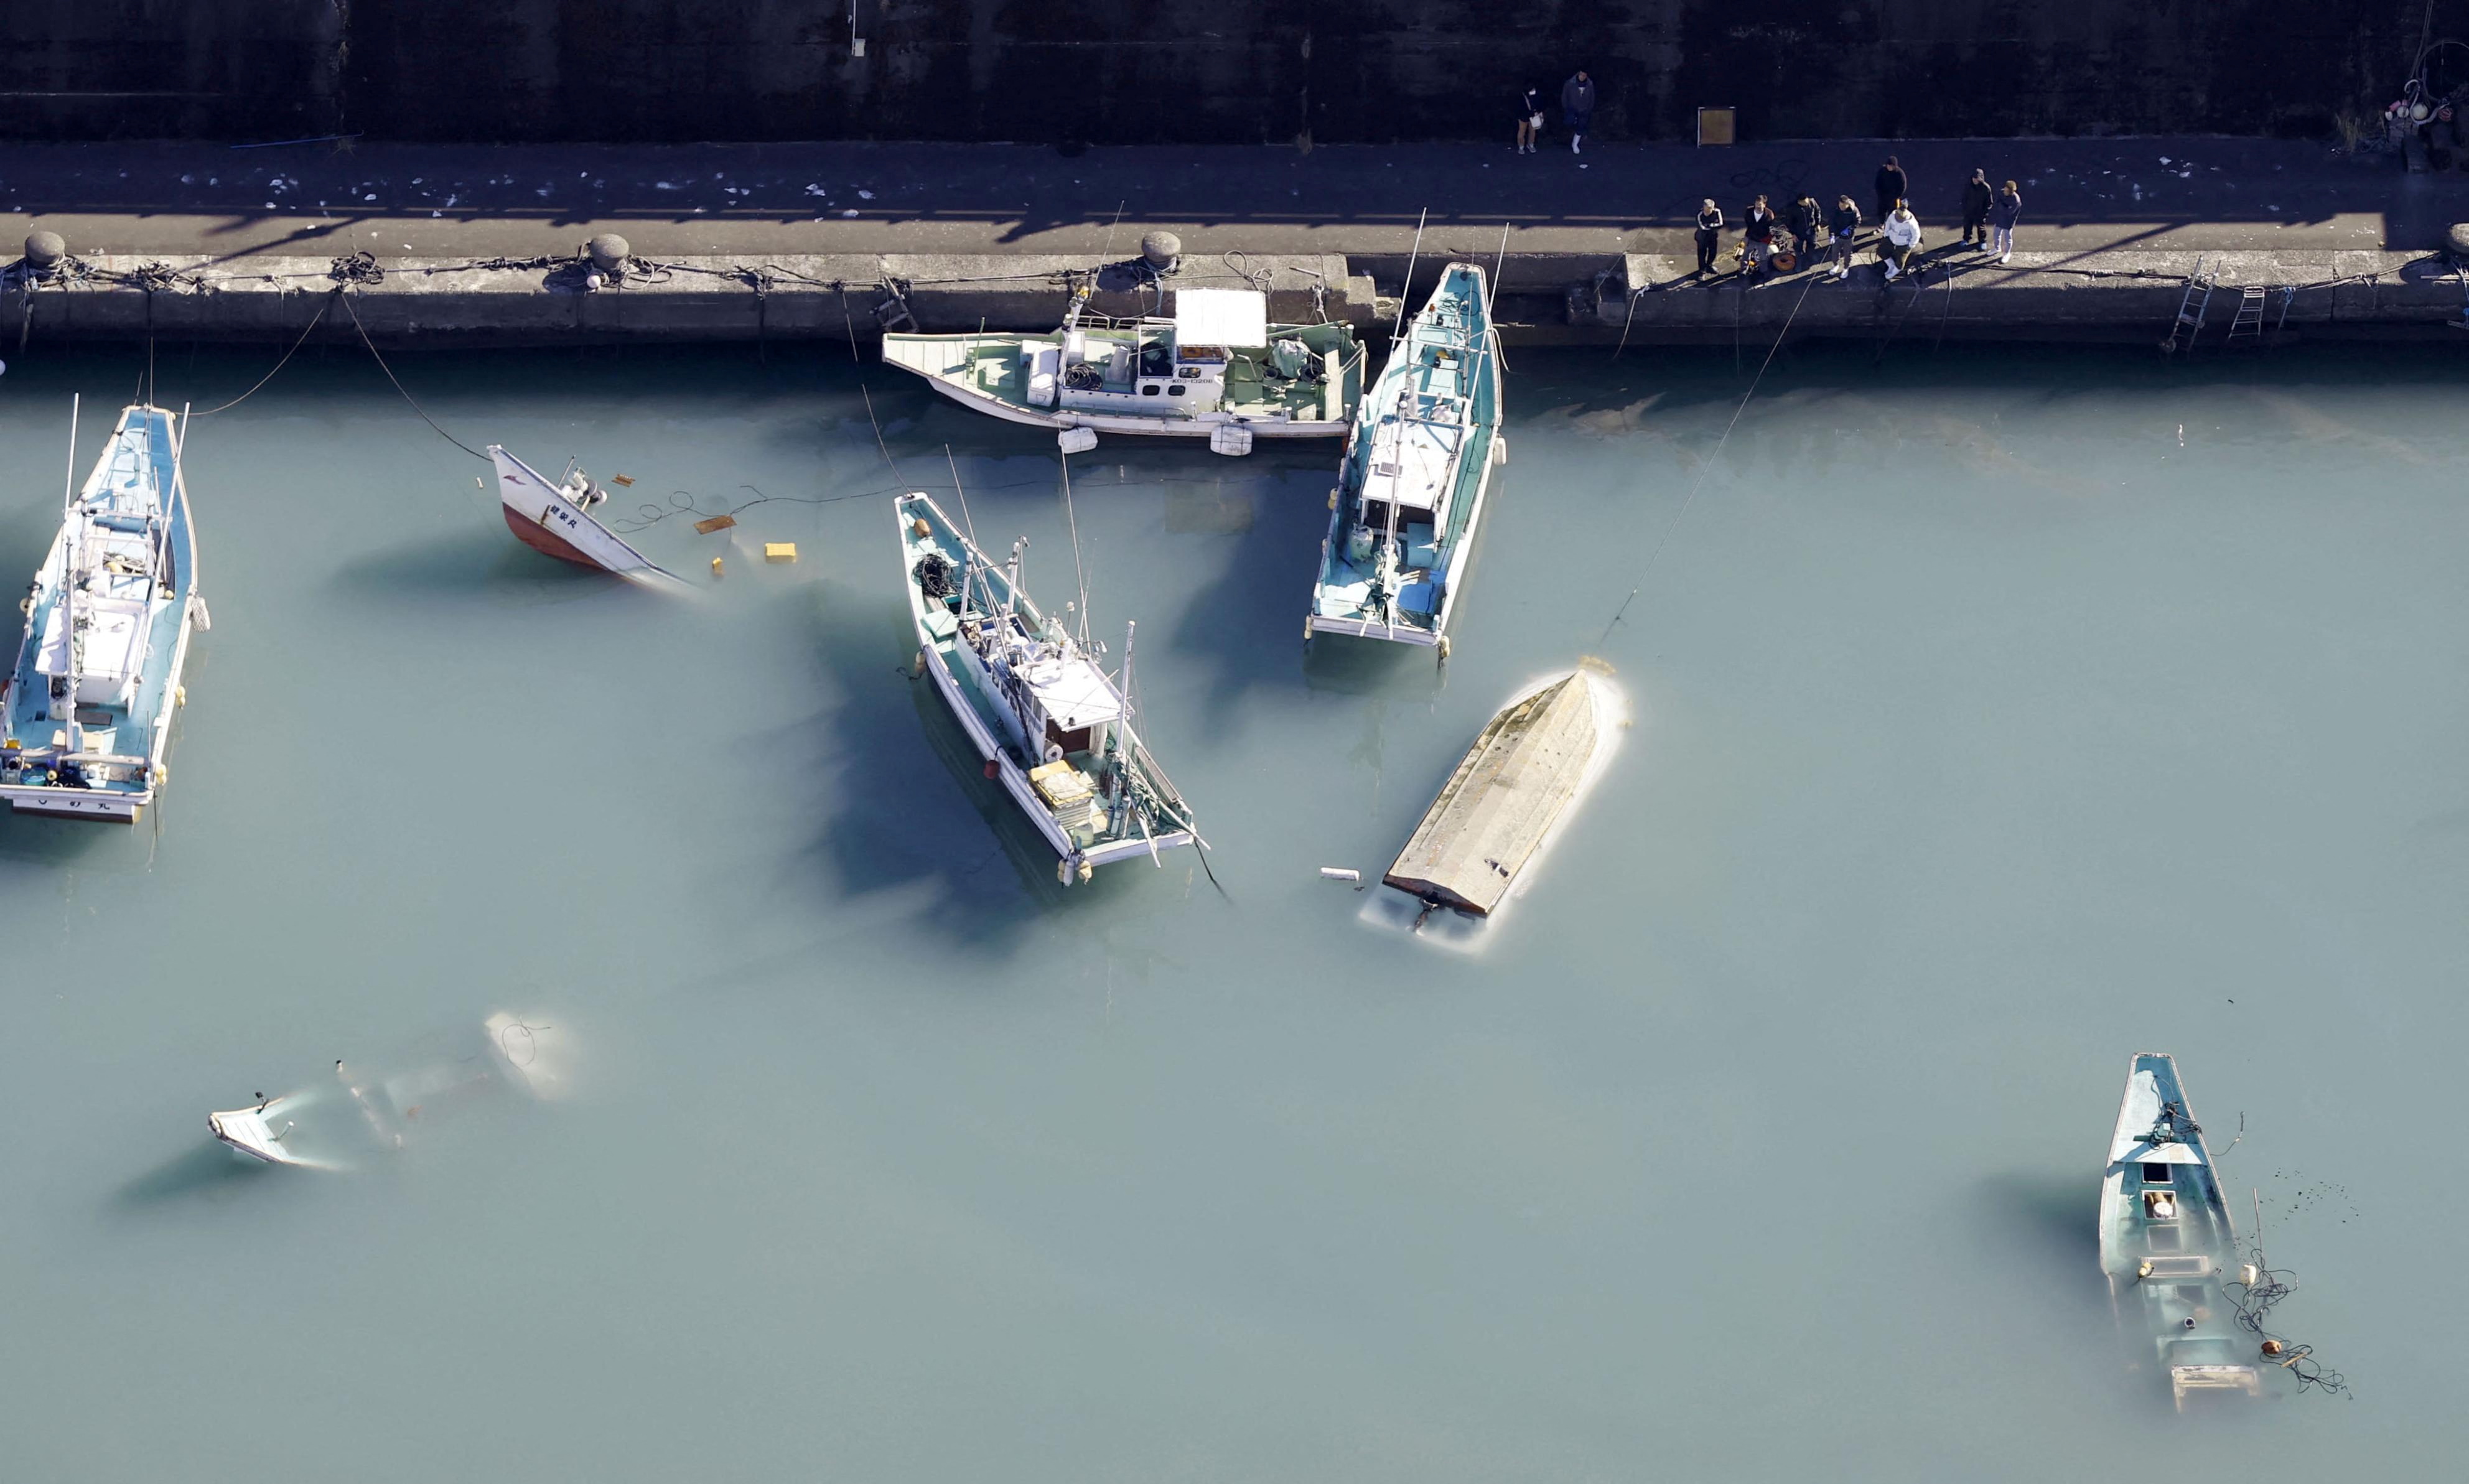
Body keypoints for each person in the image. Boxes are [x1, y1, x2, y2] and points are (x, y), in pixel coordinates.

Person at [1879, 200, 1923, 280]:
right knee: (1881, 252)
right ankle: (1891, 265)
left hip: (1904, 244)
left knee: (1901, 262)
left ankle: (1894, 272)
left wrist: (1910, 246)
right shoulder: (1892, 216)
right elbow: (1888, 225)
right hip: (1891, 239)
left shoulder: (1912, 223)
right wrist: (1886, 235)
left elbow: (1916, 235)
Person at [1741, 194, 1776, 278]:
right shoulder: (1749, 211)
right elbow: (1747, 222)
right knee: (1746, 254)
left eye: (1760, 205)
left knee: (1763, 256)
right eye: (1756, 204)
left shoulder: (1769, 214)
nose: (1758, 207)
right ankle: (1743, 270)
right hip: (1750, 237)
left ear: (1764, 205)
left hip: (1762, 239)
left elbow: (1769, 225)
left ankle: (1763, 271)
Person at [1828, 196, 1863, 279]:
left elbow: (1858, 221)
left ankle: (1846, 268)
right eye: (1840, 206)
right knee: (1835, 252)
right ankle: (1835, 265)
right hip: (1837, 235)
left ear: (1847, 204)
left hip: (1848, 237)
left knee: (1848, 253)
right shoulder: (1836, 210)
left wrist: (1849, 229)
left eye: (1843, 206)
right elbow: (1831, 223)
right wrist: (1832, 235)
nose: (1842, 208)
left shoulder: (1854, 210)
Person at [1562, 70, 1596, 154]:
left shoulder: (1590, 84)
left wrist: (1589, 109)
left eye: (1585, 75)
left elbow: (1592, 98)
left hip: (1584, 109)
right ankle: (1570, 132)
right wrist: (1566, 108)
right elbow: (1564, 96)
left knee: (1581, 126)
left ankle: (1575, 143)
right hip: (1572, 108)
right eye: (1581, 75)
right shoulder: (1570, 83)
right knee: (1569, 122)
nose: (1583, 77)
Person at [1989, 179, 2022, 263]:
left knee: (2008, 238)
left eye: (2007, 191)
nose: (2005, 192)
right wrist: (2005, 207)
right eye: (2005, 189)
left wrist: (2002, 206)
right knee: (1996, 235)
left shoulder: (2016, 200)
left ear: (2011, 192)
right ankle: (1997, 248)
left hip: (2008, 222)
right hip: (2000, 218)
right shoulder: (2001, 192)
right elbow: (1997, 204)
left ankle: (2007, 253)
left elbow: (2009, 213)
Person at [1959, 167, 1992, 248]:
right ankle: (1966, 239)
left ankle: (1982, 241)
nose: (1975, 180)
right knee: (1967, 226)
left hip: (1980, 212)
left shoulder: (1986, 188)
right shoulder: (1968, 186)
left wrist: (1985, 212)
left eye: (1977, 178)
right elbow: (1964, 197)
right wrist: (1965, 208)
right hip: (1969, 211)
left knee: (1981, 227)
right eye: (1974, 178)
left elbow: (1989, 202)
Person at [1873, 155, 1908, 226]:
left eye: (1891, 166)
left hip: (1894, 197)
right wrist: (1880, 193)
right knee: (1881, 211)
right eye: (1888, 166)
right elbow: (1877, 183)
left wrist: (1897, 196)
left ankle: (1891, 225)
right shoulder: (1882, 171)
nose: (1889, 167)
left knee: (1893, 212)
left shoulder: (1900, 174)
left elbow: (1903, 186)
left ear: (1895, 166)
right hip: (1883, 196)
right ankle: (1882, 224)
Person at [1693, 198, 1724, 277]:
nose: (1708, 212)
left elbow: (1720, 224)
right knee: (1702, 254)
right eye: (1706, 210)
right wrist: (1713, 226)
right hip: (1702, 238)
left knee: (1713, 252)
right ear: (1703, 207)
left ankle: (1709, 265)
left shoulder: (1717, 212)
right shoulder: (1700, 215)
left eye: (1710, 210)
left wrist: (1710, 225)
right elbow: (1702, 227)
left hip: (1712, 236)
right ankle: (1702, 270)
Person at [1788, 192, 1825, 258]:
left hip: (1811, 230)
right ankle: (1799, 262)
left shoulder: (1812, 202)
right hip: (1799, 232)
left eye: (1807, 201)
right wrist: (1793, 234)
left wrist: (1817, 224)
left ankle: (1809, 258)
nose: (1807, 204)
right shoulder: (1792, 208)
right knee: (1798, 249)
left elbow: (1818, 212)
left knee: (1812, 245)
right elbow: (1789, 222)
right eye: (1804, 203)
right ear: (1799, 202)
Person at [1515, 84, 1543, 155]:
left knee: (1532, 131)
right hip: (1525, 116)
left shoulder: (1536, 94)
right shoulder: (1522, 96)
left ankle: (1529, 145)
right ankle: (1523, 146)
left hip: (1531, 116)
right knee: (1522, 132)